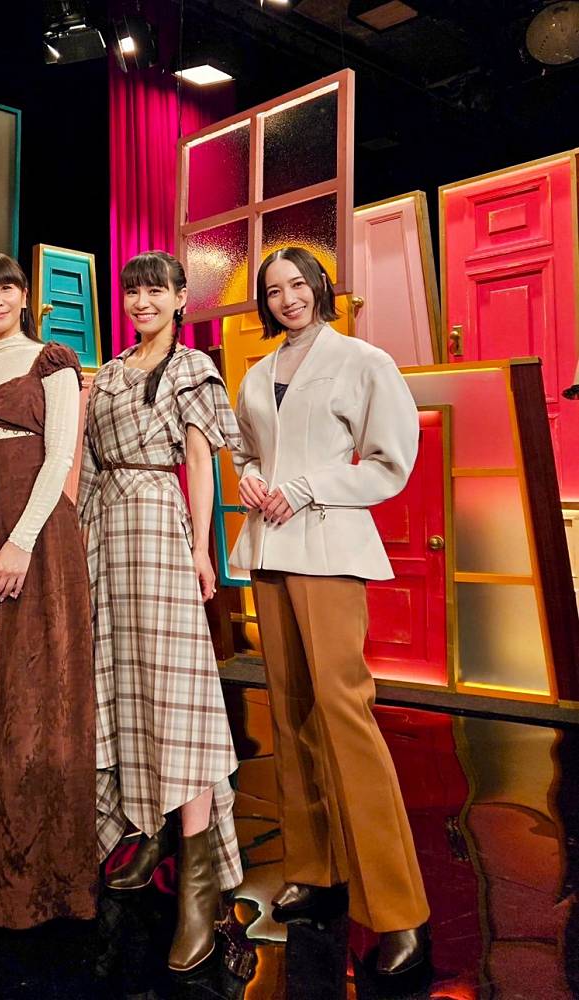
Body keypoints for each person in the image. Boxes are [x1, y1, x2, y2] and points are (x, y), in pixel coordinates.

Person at [230, 246, 431, 979]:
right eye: (273, 290)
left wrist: (308, 487)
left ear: (320, 286)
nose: (287, 298)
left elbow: (389, 464)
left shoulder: (362, 361)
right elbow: (248, 452)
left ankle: (399, 909)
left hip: (330, 549)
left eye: (298, 284)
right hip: (269, 551)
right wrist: (250, 477)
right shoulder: (256, 374)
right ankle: (315, 872)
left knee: (345, 716)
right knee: (289, 715)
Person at [78, 250, 242, 972]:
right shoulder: (109, 372)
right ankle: (147, 829)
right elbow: (84, 464)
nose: (141, 302)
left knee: (178, 693)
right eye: (132, 292)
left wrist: (203, 550)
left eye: (155, 291)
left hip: (156, 523)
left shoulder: (192, 368)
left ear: (180, 298)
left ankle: (199, 885)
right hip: (103, 531)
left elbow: (200, 464)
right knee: (121, 686)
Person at [0, 252, 96, 929]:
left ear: (24, 296)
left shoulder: (51, 363)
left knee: (41, 695)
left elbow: (59, 455)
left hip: (39, 544)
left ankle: (44, 879)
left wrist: (19, 544)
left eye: (6, 288)